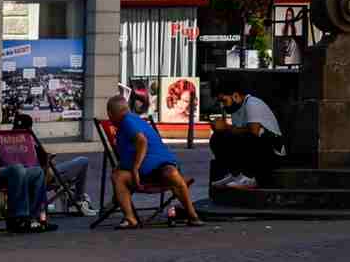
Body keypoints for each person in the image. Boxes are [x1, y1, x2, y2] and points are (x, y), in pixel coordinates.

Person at [103, 96, 200, 229]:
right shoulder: (132, 122)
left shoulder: (127, 121)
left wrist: (135, 169)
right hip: (150, 173)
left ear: (110, 113)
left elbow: (142, 141)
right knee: (118, 176)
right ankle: (131, 219)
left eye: (109, 115)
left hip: (155, 169)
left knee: (170, 173)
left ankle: (192, 214)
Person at [207, 81, 282, 188]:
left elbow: (254, 131)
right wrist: (220, 128)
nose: (222, 105)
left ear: (235, 96)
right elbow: (236, 131)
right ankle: (236, 175)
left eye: (224, 100)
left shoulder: (252, 103)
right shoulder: (235, 109)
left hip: (272, 151)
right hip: (258, 146)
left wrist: (226, 127)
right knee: (217, 138)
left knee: (247, 138)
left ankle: (249, 177)